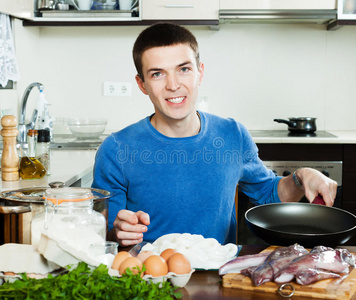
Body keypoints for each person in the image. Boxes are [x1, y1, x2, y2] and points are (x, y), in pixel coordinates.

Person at [92, 23, 337, 247]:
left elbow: (270, 194)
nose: (173, 84)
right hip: (150, 281)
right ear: (142, 84)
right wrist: (118, 231)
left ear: (200, 72)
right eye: (158, 73)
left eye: (184, 69)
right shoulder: (116, 149)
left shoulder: (233, 135)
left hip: (218, 279)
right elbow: (106, 234)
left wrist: (301, 176)